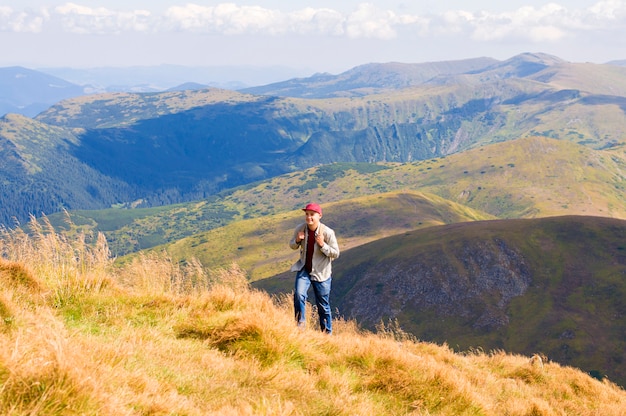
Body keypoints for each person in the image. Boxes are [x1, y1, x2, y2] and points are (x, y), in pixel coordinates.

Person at [289, 203, 340, 333]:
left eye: (312, 214)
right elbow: (292, 246)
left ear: (319, 216)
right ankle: (300, 326)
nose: (309, 217)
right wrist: (297, 240)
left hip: (321, 273)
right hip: (304, 269)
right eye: (307, 214)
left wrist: (322, 245)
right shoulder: (300, 229)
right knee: (299, 295)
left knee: (323, 306)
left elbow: (335, 253)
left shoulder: (327, 233)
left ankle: (327, 334)